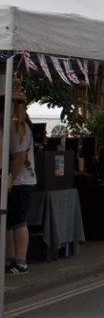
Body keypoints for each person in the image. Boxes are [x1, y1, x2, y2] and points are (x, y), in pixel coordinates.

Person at [4, 106, 35, 275]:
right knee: (8, 221)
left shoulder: (18, 127)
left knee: (18, 220)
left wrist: (8, 182)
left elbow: (19, 157)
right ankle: (10, 259)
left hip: (20, 181)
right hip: (14, 180)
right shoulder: (10, 126)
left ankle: (20, 261)